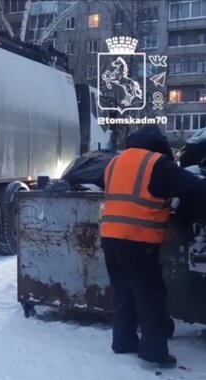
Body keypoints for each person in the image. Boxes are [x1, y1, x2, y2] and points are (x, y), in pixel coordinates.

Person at [100, 125, 206, 368]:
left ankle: (123, 340)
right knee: (152, 297)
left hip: (110, 237)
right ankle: (154, 352)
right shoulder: (157, 163)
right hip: (138, 240)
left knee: (125, 292)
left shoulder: (115, 162)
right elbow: (194, 187)